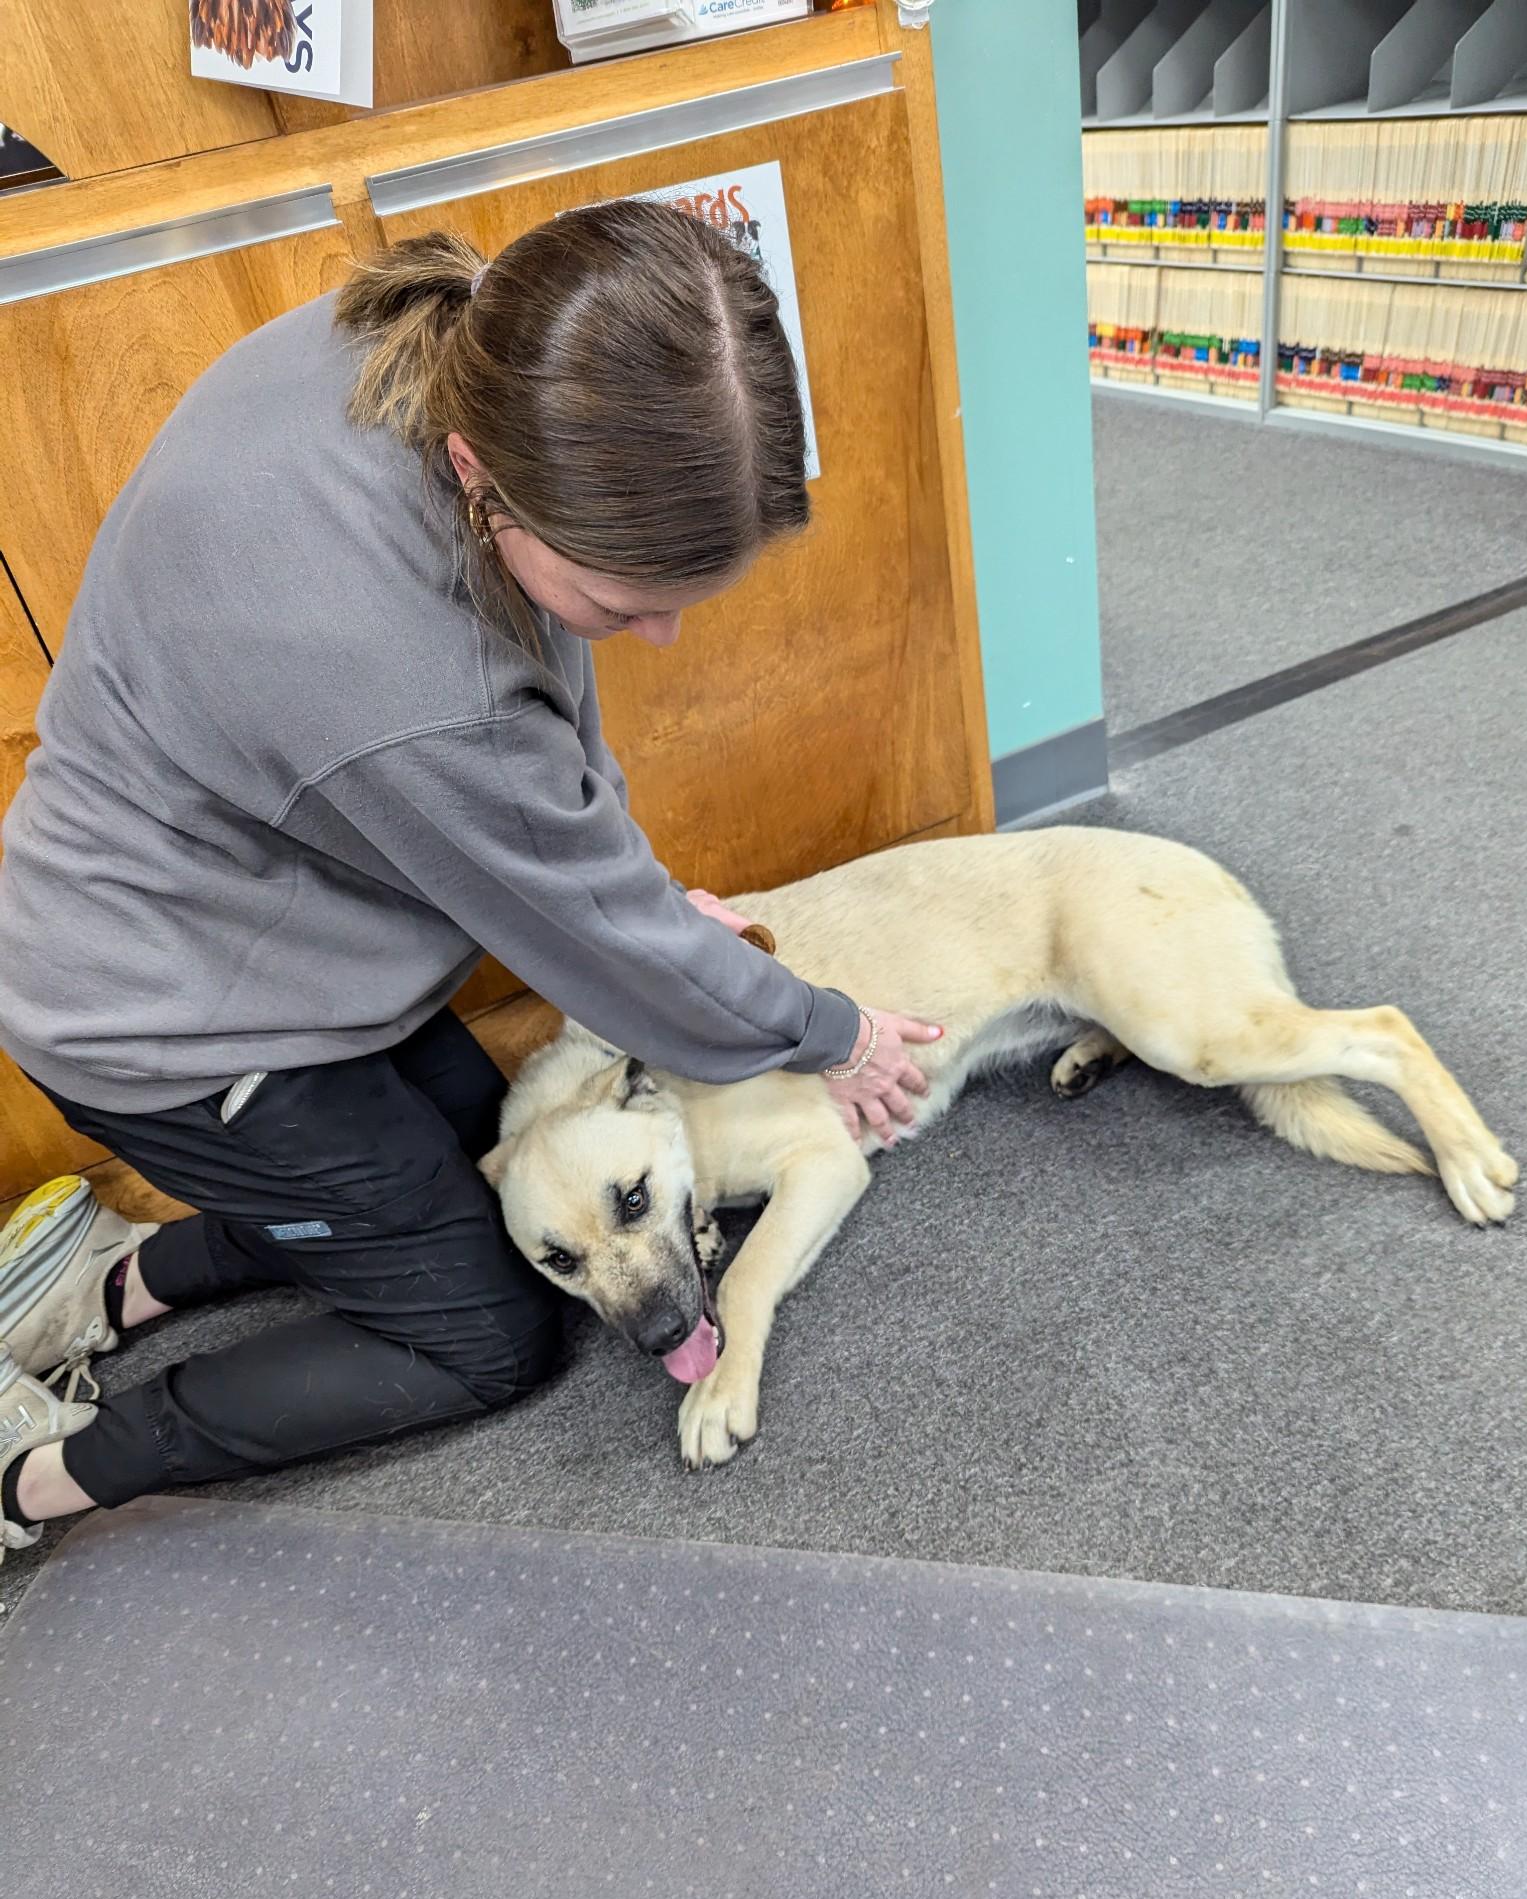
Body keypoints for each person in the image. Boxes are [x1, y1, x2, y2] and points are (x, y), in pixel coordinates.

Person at [0, 204, 939, 1560]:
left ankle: (113, 1284)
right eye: (625, 603)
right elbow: (600, 938)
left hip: (252, 909)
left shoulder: (444, 343)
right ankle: (43, 1474)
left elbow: (547, 776)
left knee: (487, 1164)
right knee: (486, 1328)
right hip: (152, 1014)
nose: (661, 634)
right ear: (476, 473)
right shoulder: (402, 682)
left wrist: (636, 895)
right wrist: (834, 1030)